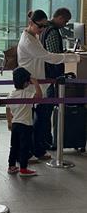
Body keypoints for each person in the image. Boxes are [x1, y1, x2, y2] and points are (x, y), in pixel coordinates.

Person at [17, 9, 80, 159]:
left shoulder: (33, 36)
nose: (43, 30)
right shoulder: (28, 40)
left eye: (44, 26)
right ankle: (26, 153)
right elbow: (48, 57)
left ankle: (36, 150)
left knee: (35, 120)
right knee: (28, 121)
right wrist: (73, 57)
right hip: (31, 85)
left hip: (37, 84)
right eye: (40, 26)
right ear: (31, 23)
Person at [39, 7, 72, 149]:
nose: (65, 24)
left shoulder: (45, 29)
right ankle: (47, 140)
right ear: (59, 18)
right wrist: (68, 56)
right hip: (51, 76)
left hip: (45, 74)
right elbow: (53, 56)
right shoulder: (52, 31)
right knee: (47, 110)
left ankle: (45, 139)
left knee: (46, 109)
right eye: (65, 21)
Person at [6, 67, 42, 177]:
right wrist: (36, 84)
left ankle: (11, 166)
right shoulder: (26, 94)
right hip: (26, 125)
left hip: (15, 124)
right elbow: (39, 97)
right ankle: (23, 169)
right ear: (26, 82)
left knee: (14, 146)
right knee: (24, 148)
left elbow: (7, 109)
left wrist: (9, 122)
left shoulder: (11, 94)